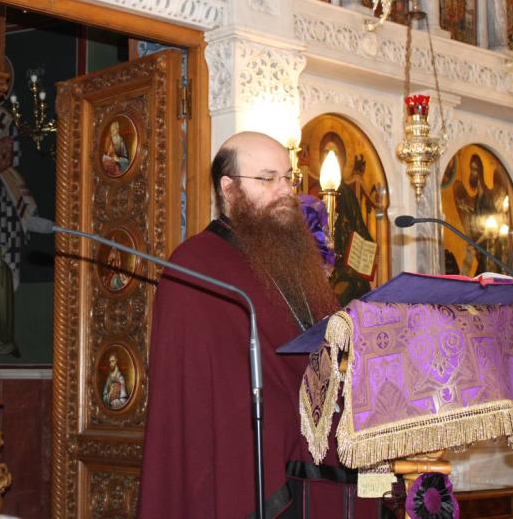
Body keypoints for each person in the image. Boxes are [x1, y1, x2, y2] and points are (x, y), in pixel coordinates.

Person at [138, 132, 373, 517]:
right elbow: (202, 394)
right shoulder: (195, 266)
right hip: (254, 469)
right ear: (228, 189)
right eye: (267, 179)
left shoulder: (296, 264)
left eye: (288, 178)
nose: (285, 191)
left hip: (320, 463)